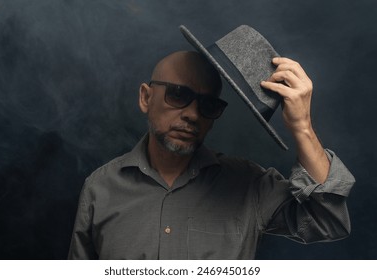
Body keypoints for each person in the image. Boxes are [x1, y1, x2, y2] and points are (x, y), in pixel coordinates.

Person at [68, 51, 355, 260]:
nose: (192, 114)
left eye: (208, 105)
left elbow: (326, 220)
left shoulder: (249, 185)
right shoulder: (100, 188)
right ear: (146, 97)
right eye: (178, 95)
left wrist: (302, 127)